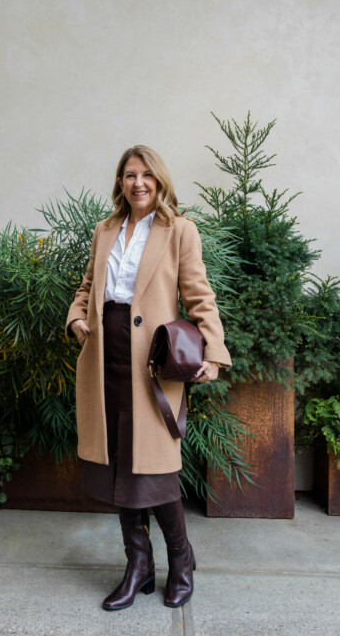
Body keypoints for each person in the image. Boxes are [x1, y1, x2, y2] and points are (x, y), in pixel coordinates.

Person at [66, 145, 231, 611]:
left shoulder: (179, 231)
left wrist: (214, 355)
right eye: (129, 175)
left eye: (146, 176)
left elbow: (199, 296)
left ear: (159, 182)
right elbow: (86, 289)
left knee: (155, 471)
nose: (138, 183)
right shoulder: (104, 231)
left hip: (152, 367)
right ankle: (138, 564)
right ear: (120, 182)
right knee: (119, 463)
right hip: (104, 361)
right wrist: (77, 320)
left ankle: (180, 558)